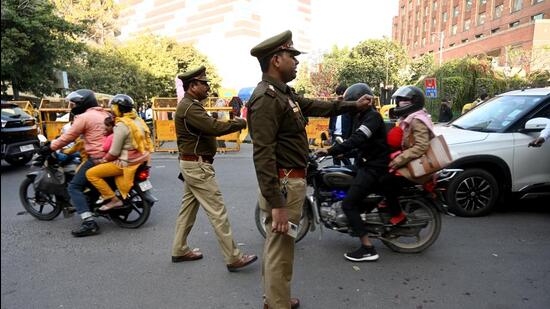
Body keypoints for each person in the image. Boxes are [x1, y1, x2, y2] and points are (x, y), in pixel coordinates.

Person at [247, 30, 373, 309]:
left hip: (288, 182)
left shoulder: (282, 94)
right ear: (276, 60)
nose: (297, 62)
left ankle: (275, 298)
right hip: (284, 185)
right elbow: (263, 155)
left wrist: (353, 105)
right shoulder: (266, 99)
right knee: (281, 249)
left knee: (276, 246)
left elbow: (317, 105)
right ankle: (277, 304)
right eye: (292, 57)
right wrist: (277, 203)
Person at [170, 66, 257, 272]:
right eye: (204, 84)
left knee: (187, 210)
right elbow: (213, 128)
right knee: (217, 211)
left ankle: (179, 249)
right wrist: (238, 124)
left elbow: (208, 124)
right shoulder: (191, 107)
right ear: (193, 86)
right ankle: (233, 257)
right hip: (197, 166)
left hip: (193, 164)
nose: (208, 88)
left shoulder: (191, 105)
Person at [316, 83, 390, 263]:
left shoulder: (372, 117)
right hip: (365, 163)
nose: (350, 107)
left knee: (349, 204)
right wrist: (343, 152)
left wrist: (331, 151)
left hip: (375, 167)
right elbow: (360, 146)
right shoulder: (361, 117)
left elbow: (358, 139)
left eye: (352, 103)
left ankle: (368, 248)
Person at [41, 89, 110, 237]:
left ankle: (89, 223)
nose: (72, 107)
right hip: (111, 156)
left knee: (74, 187)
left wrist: (50, 147)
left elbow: (68, 137)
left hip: (96, 157)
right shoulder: (105, 114)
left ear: (82, 104)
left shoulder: (83, 117)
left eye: (74, 104)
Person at [378, 85, 436, 231]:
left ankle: (398, 215)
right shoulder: (411, 118)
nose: (399, 103)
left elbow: (421, 146)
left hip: (419, 164)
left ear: (414, 102)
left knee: (386, 180)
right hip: (412, 159)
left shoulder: (418, 120)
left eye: (404, 100)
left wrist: (398, 160)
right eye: (399, 100)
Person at [85, 95, 153, 211]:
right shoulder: (138, 120)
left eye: (114, 107)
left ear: (118, 109)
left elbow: (114, 152)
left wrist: (103, 160)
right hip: (143, 159)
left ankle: (112, 199)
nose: (112, 109)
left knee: (91, 173)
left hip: (127, 163)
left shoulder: (121, 125)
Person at [328, 84, 352, 166]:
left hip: (344, 135)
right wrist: (330, 130)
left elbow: (350, 123)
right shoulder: (335, 106)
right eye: (338, 94)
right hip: (335, 134)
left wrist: (348, 136)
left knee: (344, 155)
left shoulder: (348, 107)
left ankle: (349, 168)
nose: (340, 96)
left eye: (342, 93)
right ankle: (336, 170)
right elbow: (331, 119)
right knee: (335, 155)